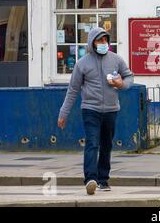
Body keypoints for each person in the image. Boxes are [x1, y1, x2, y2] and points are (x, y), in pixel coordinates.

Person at [57, 27, 134, 195]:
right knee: (92, 143)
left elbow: (129, 77)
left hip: (111, 110)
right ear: (92, 43)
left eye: (105, 40)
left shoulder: (116, 60)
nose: (103, 43)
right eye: (99, 41)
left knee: (106, 144)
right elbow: (73, 90)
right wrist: (63, 113)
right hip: (90, 109)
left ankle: (103, 179)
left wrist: (121, 84)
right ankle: (90, 179)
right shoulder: (82, 64)